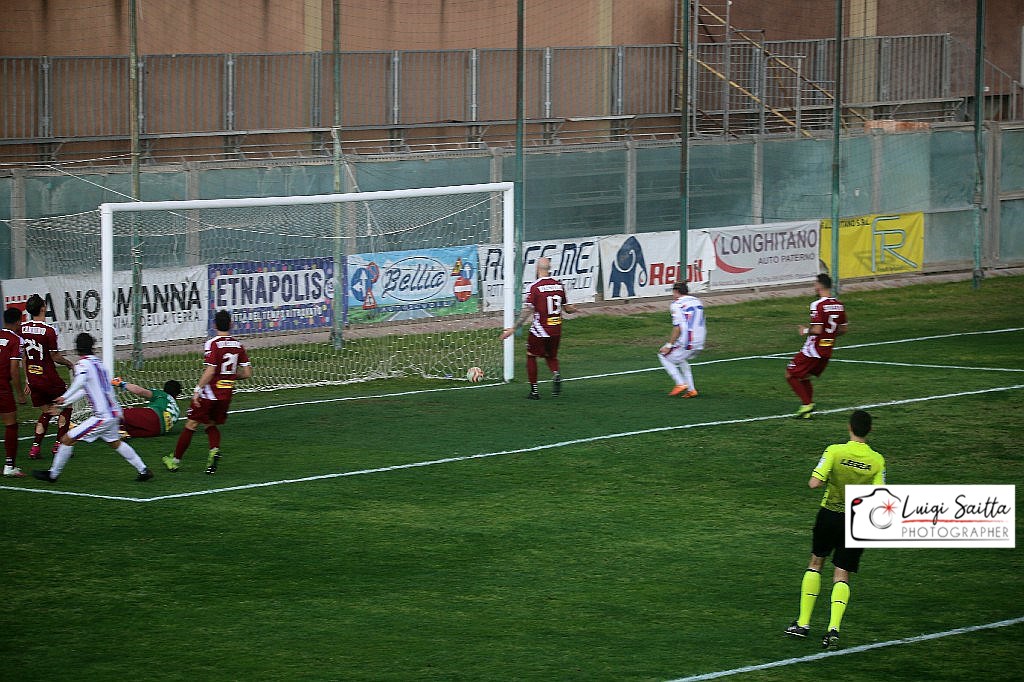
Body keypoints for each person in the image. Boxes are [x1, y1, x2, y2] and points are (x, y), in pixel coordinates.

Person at [784, 409, 885, 649]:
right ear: (869, 430)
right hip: (857, 520)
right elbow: (880, 496)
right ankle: (833, 630)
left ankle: (803, 624)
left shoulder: (834, 451)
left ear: (849, 428)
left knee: (816, 562)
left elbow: (814, 483)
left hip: (829, 514)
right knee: (842, 574)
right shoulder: (877, 460)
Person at [31, 333, 153, 483]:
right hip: (114, 412)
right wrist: (64, 403)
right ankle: (143, 470)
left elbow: (80, 382)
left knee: (67, 439)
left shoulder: (83, 365)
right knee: (115, 443)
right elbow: (85, 390)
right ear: (92, 347)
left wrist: (64, 397)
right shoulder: (99, 364)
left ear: (77, 349)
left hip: (102, 416)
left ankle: (52, 475)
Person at [163, 310, 252, 474]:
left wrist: (197, 390)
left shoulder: (212, 344)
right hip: (226, 394)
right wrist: (231, 376)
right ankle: (214, 450)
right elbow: (247, 373)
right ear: (231, 325)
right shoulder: (238, 346)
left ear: (214, 325)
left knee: (191, 424)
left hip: (210, 393)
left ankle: (174, 461)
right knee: (210, 423)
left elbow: (210, 371)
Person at [499, 256, 577, 399]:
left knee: (531, 355)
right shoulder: (559, 285)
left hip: (540, 330)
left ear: (537, 269)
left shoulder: (534, 287)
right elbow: (567, 309)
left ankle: (534, 391)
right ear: (549, 269)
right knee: (551, 356)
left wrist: (513, 328)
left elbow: (527, 311)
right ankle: (555, 373)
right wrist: (574, 309)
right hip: (556, 328)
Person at [19, 294, 76, 458]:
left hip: (34, 379)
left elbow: (23, 356)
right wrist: (69, 364)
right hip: (49, 378)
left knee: (47, 410)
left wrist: (28, 379)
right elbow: (54, 356)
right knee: (66, 405)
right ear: (43, 308)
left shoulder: (22, 328)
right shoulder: (49, 330)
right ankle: (59, 445)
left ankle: (35, 448)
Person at [786, 273, 847, 419]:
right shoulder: (839, 305)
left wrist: (805, 330)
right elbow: (843, 329)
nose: (814, 286)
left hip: (813, 350)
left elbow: (818, 330)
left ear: (819, 285)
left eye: (815, 283)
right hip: (827, 350)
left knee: (790, 374)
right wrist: (830, 335)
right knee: (805, 376)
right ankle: (808, 408)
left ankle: (807, 404)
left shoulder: (817, 305)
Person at [658, 281, 705, 398]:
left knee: (663, 355)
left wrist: (669, 345)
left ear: (676, 291)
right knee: (681, 359)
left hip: (688, 340)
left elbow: (677, 327)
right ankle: (691, 390)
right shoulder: (697, 300)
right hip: (701, 339)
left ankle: (680, 383)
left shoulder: (676, 304)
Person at [1, 308, 28, 477]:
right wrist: (20, 394)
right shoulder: (16, 340)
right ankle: (9, 466)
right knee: (11, 425)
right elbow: (14, 371)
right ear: (18, 322)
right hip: (2, 386)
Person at [111, 377, 183, 438]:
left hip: (154, 416)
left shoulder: (162, 394)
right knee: (126, 429)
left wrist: (121, 383)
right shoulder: (177, 410)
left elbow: (139, 391)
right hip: (157, 431)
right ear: (177, 394)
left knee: (117, 414)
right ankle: (121, 431)